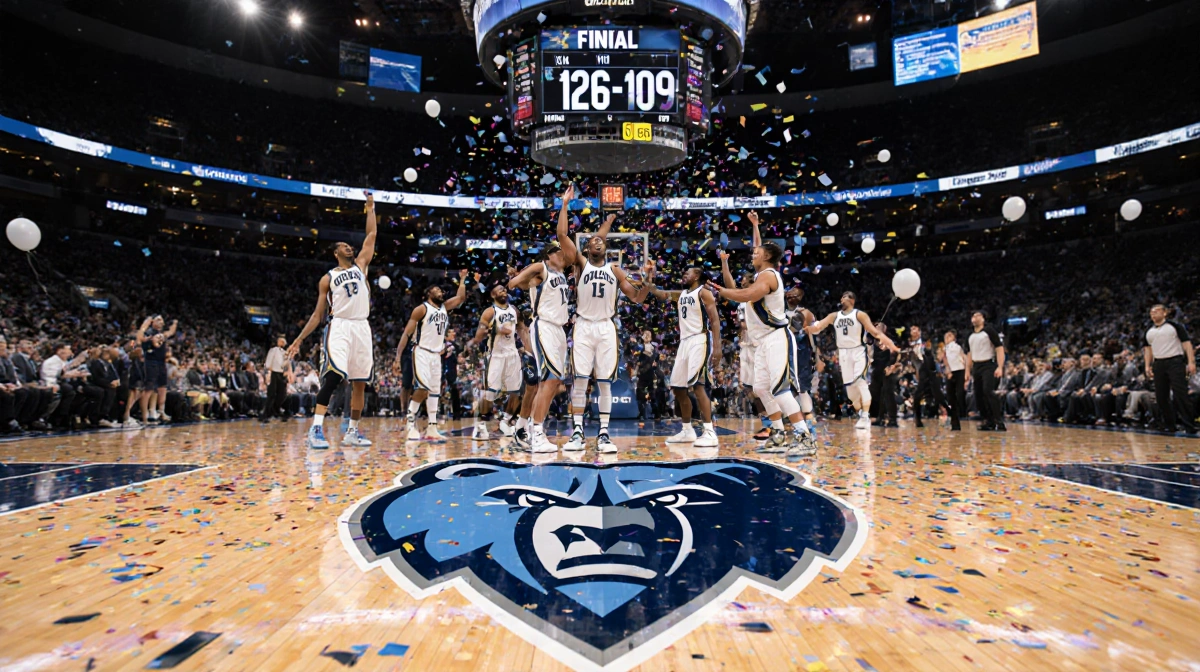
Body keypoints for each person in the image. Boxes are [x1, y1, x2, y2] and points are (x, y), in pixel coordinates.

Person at [711, 225, 817, 455]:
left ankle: (804, 437)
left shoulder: (768, 276)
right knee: (760, 388)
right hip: (761, 343)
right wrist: (755, 226)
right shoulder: (761, 274)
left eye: (756, 252)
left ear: (767, 256)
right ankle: (778, 434)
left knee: (781, 390)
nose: (752, 254)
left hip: (777, 338)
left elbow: (747, 294)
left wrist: (721, 290)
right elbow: (757, 253)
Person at [287, 190, 378, 449]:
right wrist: (299, 339)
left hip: (362, 326)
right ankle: (315, 429)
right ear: (335, 253)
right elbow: (318, 314)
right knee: (334, 376)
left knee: (360, 382)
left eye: (349, 245)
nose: (349, 247)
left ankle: (352, 431)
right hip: (340, 325)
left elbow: (371, 235)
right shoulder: (327, 278)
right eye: (343, 246)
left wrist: (370, 208)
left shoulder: (361, 265)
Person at [561, 203, 652, 453]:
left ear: (606, 247)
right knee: (579, 380)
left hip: (606, 328)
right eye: (592, 241)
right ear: (587, 248)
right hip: (583, 325)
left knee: (604, 383)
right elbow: (562, 235)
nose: (597, 242)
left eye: (600, 241)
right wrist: (566, 204)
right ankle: (577, 431)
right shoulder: (581, 264)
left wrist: (647, 281)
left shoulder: (615, 269)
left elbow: (637, 298)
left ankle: (603, 434)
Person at [646, 266, 722, 447]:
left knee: (697, 386)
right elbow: (658, 293)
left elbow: (715, 320)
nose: (683, 274)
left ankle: (709, 431)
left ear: (697, 275)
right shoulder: (682, 294)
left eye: (687, 272)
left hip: (700, 338)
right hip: (685, 341)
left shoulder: (704, 293)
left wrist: (717, 347)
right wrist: (650, 277)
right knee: (678, 387)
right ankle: (687, 430)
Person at [395, 269, 472, 442]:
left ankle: (432, 427)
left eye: (441, 290)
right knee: (422, 389)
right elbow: (407, 334)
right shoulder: (421, 309)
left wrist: (462, 280)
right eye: (437, 290)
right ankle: (410, 423)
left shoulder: (444, 308)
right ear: (428, 293)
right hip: (421, 351)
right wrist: (398, 356)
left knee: (435, 392)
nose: (441, 292)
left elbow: (460, 299)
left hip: (437, 355)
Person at [806, 291, 900, 430]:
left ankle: (865, 416)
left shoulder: (859, 315)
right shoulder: (834, 316)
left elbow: (875, 333)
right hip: (843, 353)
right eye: (841, 297)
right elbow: (818, 327)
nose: (842, 299)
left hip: (858, 351)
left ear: (852, 300)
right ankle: (861, 412)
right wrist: (806, 329)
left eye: (845, 297)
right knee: (850, 390)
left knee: (860, 381)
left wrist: (892, 345)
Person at [467, 284, 531, 440]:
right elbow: (478, 335)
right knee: (491, 392)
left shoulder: (514, 310)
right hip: (496, 355)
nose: (503, 291)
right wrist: (494, 329)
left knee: (516, 391)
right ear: (492, 295)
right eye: (499, 290)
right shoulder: (490, 312)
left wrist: (529, 349)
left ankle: (505, 421)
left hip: (512, 354)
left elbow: (522, 329)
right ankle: (481, 425)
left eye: (504, 289)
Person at [1143, 304, 1196, 434]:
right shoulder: (1149, 331)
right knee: (1161, 396)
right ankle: (1169, 425)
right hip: (1159, 363)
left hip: (1175, 361)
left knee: (1180, 394)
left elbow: (1187, 344)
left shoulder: (1175, 326)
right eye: (1151, 312)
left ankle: (1189, 425)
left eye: (1156, 311)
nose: (1153, 314)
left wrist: (1191, 362)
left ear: (1165, 313)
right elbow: (1148, 350)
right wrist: (1147, 366)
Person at [785, 285, 822, 434]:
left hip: (801, 351)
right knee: (785, 386)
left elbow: (815, 334)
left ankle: (808, 416)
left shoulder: (806, 313)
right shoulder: (778, 311)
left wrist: (818, 357)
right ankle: (792, 416)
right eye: (792, 293)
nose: (794, 296)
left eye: (797, 295)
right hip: (783, 350)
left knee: (802, 385)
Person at [963, 311, 1007, 431]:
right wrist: (967, 371)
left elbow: (999, 348)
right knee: (978, 395)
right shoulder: (969, 335)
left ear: (983, 319)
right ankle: (988, 421)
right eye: (973, 316)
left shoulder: (989, 331)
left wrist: (1000, 366)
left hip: (989, 364)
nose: (975, 318)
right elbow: (969, 354)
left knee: (988, 391)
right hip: (976, 366)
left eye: (978, 316)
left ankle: (998, 420)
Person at [137, 315, 177, 423]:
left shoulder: (161, 334)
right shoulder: (148, 332)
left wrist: (175, 323)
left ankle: (161, 411)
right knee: (149, 389)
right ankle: (144, 415)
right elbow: (140, 339)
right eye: (158, 319)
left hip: (161, 362)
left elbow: (170, 333)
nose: (161, 322)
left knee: (162, 387)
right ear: (152, 321)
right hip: (151, 361)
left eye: (162, 320)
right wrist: (144, 325)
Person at [908, 325, 947, 429]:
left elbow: (936, 355)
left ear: (919, 332)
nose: (914, 331)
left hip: (932, 371)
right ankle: (918, 418)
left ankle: (949, 412)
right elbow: (914, 363)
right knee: (918, 395)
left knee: (937, 394)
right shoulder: (910, 346)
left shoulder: (927, 341)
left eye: (916, 329)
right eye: (912, 330)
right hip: (922, 372)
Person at [87, 346, 121, 428]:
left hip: (105, 384)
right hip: (95, 384)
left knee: (116, 390)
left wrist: (116, 381)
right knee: (107, 390)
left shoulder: (108, 363)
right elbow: (96, 378)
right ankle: (101, 417)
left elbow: (113, 375)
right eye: (105, 353)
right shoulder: (96, 362)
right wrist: (109, 383)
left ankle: (108, 416)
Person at [260, 336, 289, 422]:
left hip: (281, 373)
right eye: (281, 341)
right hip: (273, 372)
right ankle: (266, 414)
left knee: (282, 394)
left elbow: (285, 364)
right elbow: (268, 362)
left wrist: (285, 371)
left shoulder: (285, 352)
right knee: (271, 394)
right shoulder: (273, 350)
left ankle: (275, 410)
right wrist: (269, 372)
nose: (282, 343)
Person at [942, 330, 966, 430]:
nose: (948, 337)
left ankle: (962, 413)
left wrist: (967, 370)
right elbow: (945, 359)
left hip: (960, 370)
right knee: (950, 396)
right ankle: (954, 421)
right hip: (951, 372)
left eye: (950, 335)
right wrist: (948, 369)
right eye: (946, 336)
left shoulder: (957, 347)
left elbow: (963, 357)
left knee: (959, 394)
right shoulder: (945, 348)